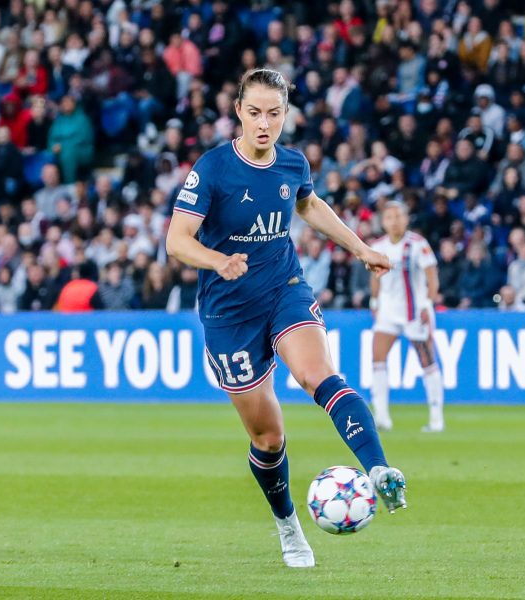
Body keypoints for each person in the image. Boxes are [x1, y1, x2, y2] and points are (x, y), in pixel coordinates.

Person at [165, 69, 406, 569]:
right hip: (227, 312)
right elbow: (177, 240)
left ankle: (379, 469)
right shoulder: (211, 170)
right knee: (268, 439)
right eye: (254, 112)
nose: (264, 123)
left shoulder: (293, 163)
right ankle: (288, 526)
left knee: (319, 375)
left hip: (284, 290)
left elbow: (310, 205)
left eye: (274, 113)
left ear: (285, 115)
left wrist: (361, 248)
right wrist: (217, 261)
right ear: (238, 111)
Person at [369, 201, 444, 432]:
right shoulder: (378, 246)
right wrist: (374, 301)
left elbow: (432, 277)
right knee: (378, 359)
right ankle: (381, 416)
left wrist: (428, 303)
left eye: (398, 216)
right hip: (389, 311)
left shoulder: (418, 244)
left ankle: (436, 418)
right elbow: (374, 277)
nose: (394, 221)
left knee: (427, 361)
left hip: (415, 312)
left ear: (406, 219)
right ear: (383, 222)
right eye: (389, 217)